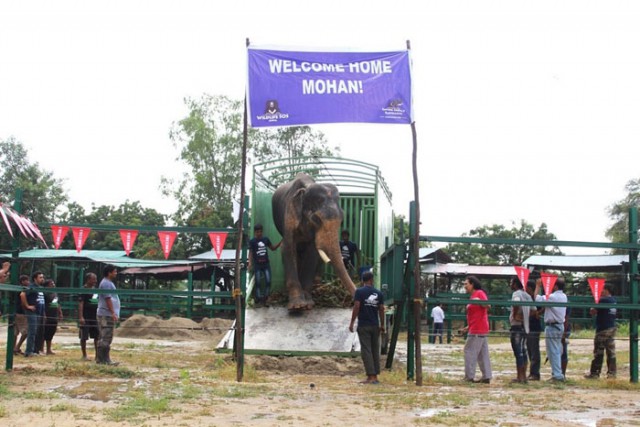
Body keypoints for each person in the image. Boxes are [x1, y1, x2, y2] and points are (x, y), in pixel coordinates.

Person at [349, 271, 385, 384]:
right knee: (375, 350)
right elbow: (382, 309)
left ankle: (371, 377)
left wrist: (352, 322)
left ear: (362, 280)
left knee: (366, 351)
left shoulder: (359, 292)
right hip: (375, 325)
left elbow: (357, 306)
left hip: (364, 325)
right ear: (371, 280)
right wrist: (382, 325)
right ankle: (375, 376)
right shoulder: (379, 293)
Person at [460, 275, 492, 384]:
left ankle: (469, 376)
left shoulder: (479, 293)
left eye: (466, 284)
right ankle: (486, 375)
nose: (465, 286)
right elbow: (475, 314)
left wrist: (479, 301)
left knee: (469, 351)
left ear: (472, 284)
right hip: (477, 327)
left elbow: (487, 306)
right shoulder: (473, 295)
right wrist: (467, 327)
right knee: (482, 353)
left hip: (478, 329)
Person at [535, 277, 567, 382]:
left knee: (553, 351)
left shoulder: (553, 297)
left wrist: (538, 286)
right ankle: (557, 373)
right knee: (556, 350)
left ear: (556, 286)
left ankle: (557, 375)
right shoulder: (564, 296)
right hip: (559, 325)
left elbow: (537, 299)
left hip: (552, 326)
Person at [585, 283, 617, 379]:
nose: (601, 291)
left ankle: (595, 373)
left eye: (602, 289)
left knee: (598, 352)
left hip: (602, 329)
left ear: (606, 290)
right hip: (611, 328)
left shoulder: (603, 300)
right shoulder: (613, 300)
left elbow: (592, 311)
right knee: (611, 352)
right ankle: (612, 373)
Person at [248, 223, 281, 307]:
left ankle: (265, 298)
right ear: (255, 232)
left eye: (260, 231)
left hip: (266, 264)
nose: (259, 233)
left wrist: (280, 243)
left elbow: (272, 248)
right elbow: (251, 253)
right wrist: (250, 263)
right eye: (257, 232)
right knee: (258, 283)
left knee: (268, 281)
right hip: (257, 265)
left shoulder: (265, 239)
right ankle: (259, 299)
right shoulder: (252, 241)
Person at [509, 276, 532, 383]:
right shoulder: (527, 295)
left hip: (516, 325)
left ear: (515, 284)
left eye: (511, 282)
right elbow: (534, 309)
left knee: (518, 352)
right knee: (523, 351)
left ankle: (520, 376)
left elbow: (516, 302)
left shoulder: (516, 294)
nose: (510, 284)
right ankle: (524, 375)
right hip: (525, 326)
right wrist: (525, 317)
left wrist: (515, 315)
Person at [96, 265, 120, 365]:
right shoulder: (106, 283)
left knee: (106, 336)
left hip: (107, 313)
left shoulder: (108, 283)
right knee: (106, 337)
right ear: (109, 273)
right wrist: (113, 312)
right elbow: (108, 299)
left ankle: (102, 359)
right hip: (106, 314)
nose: (116, 273)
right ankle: (104, 359)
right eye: (114, 271)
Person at [21, 271, 45, 357]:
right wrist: (27, 306)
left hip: (39, 312)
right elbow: (22, 294)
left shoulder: (40, 287)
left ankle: (35, 350)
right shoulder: (31, 287)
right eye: (40, 277)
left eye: (42, 277)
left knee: (36, 332)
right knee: (32, 332)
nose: (42, 279)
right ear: (35, 278)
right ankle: (29, 351)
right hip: (32, 312)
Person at [78, 272, 100, 361]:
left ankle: (97, 355)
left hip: (94, 316)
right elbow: (80, 303)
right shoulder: (83, 289)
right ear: (88, 279)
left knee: (96, 336)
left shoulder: (95, 290)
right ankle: (84, 355)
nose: (95, 281)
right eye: (93, 279)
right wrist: (81, 317)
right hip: (86, 315)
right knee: (84, 336)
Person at [525, 279, 542, 381]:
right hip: (528, 326)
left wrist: (537, 313)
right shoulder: (527, 299)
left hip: (534, 327)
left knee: (534, 351)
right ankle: (533, 372)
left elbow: (541, 308)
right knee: (530, 350)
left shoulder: (536, 299)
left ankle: (535, 373)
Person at [42, 279, 63, 355]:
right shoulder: (44, 293)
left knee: (51, 332)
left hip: (54, 315)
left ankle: (48, 350)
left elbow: (58, 304)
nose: (53, 285)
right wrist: (44, 314)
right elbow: (42, 304)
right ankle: (41, 349)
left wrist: (60, 313)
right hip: (47, 314)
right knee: (45, 332)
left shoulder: (55, 293)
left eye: (54, 283)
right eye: (51, 284)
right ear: (47, 285)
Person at [13, 274, 30, 355]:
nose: (28, 282)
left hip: (15, 312)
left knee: (15, 332)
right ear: (22, 281)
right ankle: (17, 347)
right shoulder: (22, 290)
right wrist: (27, 307)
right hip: (21, 313)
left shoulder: (16, 288)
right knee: (26, 332)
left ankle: (13, 348)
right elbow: (22, 300)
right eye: (27, 280)